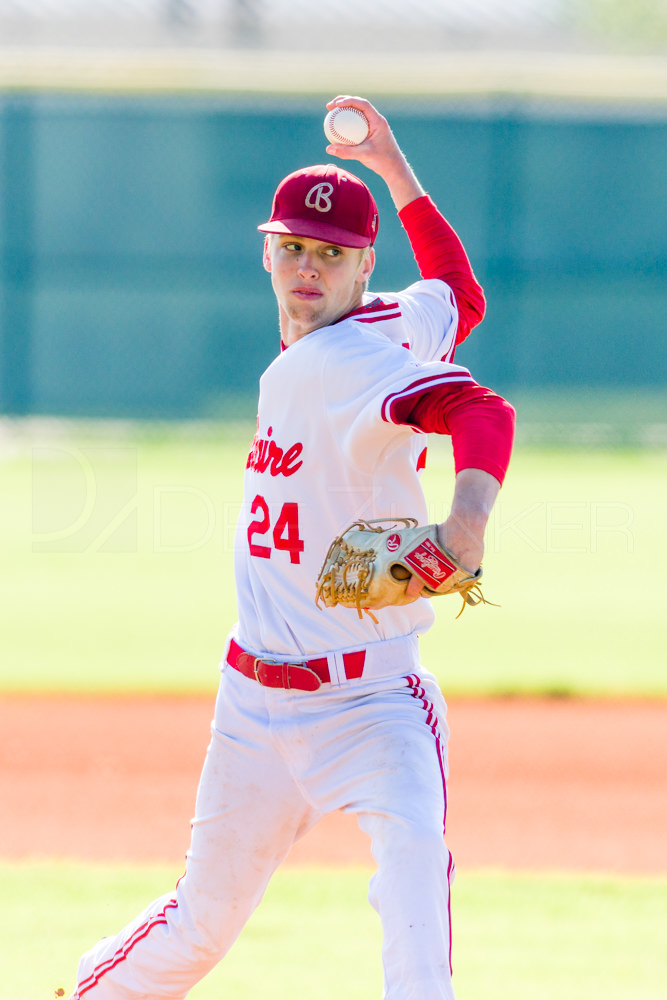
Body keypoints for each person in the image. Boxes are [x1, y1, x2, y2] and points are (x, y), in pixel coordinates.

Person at [69, 96, 515, 1000]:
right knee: (198, 927)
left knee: (415, 894)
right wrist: (394, 171)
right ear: (267, 253)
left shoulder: (361, 365)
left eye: (332, 253)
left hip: (372, 701)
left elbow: (480, 409)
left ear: (361, 263)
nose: (309, 268)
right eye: (294, 249)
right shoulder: (399, 319)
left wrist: (466, 518)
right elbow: (457, 294)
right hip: (254, 703)